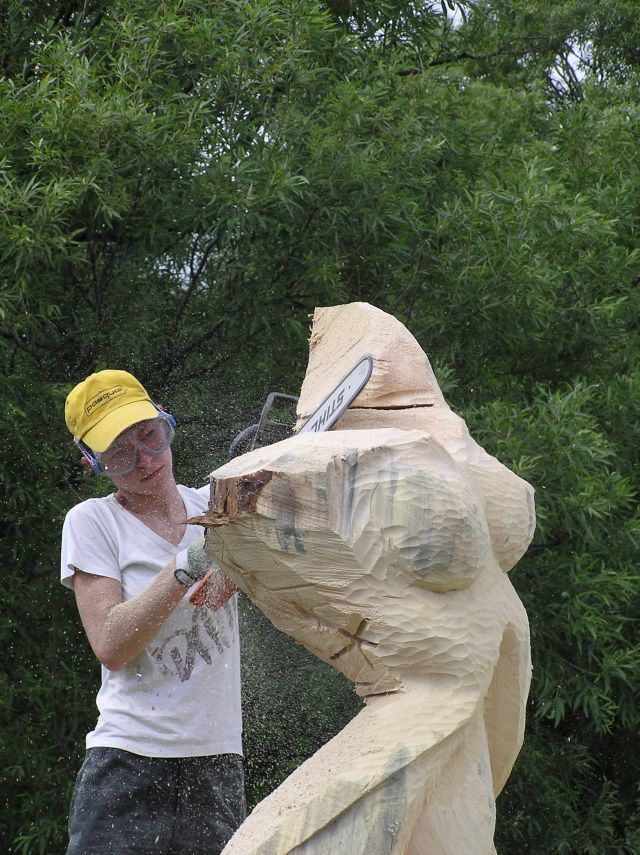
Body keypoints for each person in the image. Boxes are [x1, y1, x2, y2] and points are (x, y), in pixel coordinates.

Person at [60, 369, 245, 855]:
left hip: (218, 759)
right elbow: (110, 643)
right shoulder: (94, 522)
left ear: (165, 423)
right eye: (120, 454)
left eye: (149, 436)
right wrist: (188, 564)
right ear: (92, 463)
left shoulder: (217, 505)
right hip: (128, 764)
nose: (144, 460)